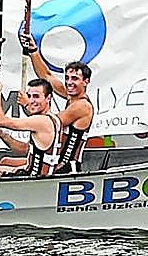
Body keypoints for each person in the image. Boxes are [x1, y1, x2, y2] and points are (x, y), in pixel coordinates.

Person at [20, 33, 94, 175]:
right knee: (5, 161)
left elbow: (52, 124)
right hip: (56, 162)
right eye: (67, 78)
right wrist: (33, 50)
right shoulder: (70, 96)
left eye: (75, 79)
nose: (69, 82)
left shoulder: (82, 106)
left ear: (86, 81)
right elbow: (46, 76)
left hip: (66, 167)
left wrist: (27, 105)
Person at [0, 79, 60, 178]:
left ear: (48, 98)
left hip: (34, 178)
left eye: (36, 96)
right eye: (29, 96)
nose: (31, 100)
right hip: (32, 170)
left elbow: (0, 120)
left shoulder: (41, 121)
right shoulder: (53, 118)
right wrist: (2, 134)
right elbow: (23, 149)